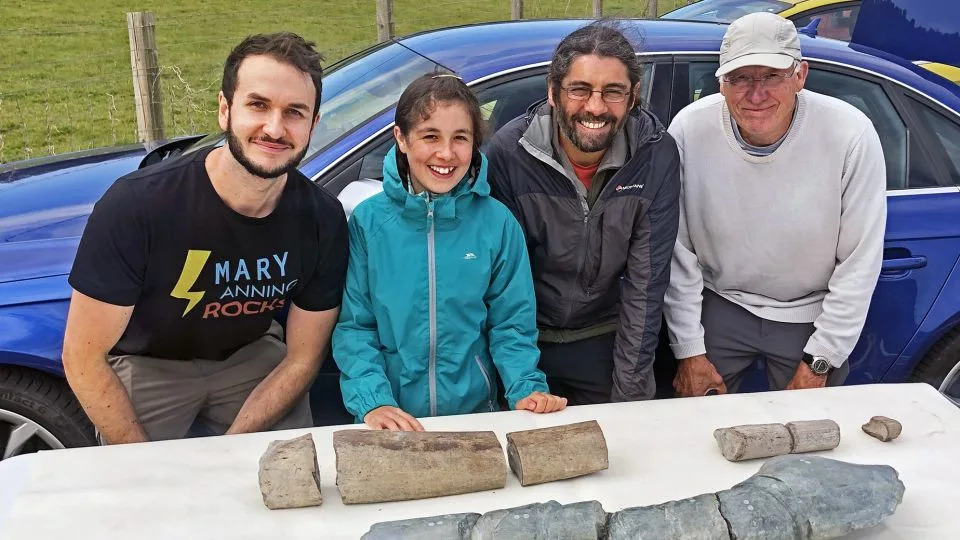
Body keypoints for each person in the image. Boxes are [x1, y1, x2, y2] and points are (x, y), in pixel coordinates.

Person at [62, 32, 349, 444]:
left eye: (294, 112)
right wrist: (141, 464)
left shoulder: (322, 217)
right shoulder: (138, 204)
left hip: (251, 355)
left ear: (313, 124)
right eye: (258, 105)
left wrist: (229, 453)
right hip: (149, 362)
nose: (274, 127)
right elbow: (82, 357)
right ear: (224, 109)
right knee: (138, 495)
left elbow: (303, 359)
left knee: (288, 479)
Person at [664, 13, 886, 396]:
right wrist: (689, 351)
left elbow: (859, 262)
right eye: (740, 78)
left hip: (810, 311)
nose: (756, 93)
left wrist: (822, 358)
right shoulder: (688, 130)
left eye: (771, 76)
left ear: (800, 75)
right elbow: (675, 250)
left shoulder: (850, 133)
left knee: (809, 436)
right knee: (694, 428)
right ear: (721, 82)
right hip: (720, 302)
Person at [333, 73, 566, 431]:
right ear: (402, 138)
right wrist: (373, 402)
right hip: (390, 423)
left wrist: (526, 388)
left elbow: (511, 325)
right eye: (430, 136)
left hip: (476, 420)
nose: (446, 153)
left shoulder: (497, 223)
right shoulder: (368, 223)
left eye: (461, 138)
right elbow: (355, 328)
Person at [486, 22, 681, 404]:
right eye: (580, 89)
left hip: (605, 340)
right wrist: (520, 380)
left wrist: (628, 397)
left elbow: (647, 284)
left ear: (634, 96)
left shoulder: (655, 155)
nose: (595, 107)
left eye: (613, 92)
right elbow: (502, 283)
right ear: (553, 92)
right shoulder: (511, 153)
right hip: (522, 343)